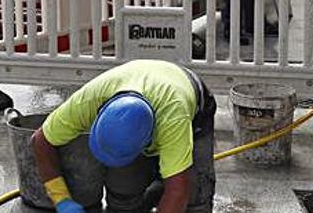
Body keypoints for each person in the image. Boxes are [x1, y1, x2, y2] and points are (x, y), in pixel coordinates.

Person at [31, 60, 215, 213]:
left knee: (195, 198)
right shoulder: (87, 101)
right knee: (124, 192)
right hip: (144, 82)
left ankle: (162, 181)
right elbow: (40, 141)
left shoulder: (173, 120)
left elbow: (178, 192)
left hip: (191, 104)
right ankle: (156, 186)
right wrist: (61, 199)